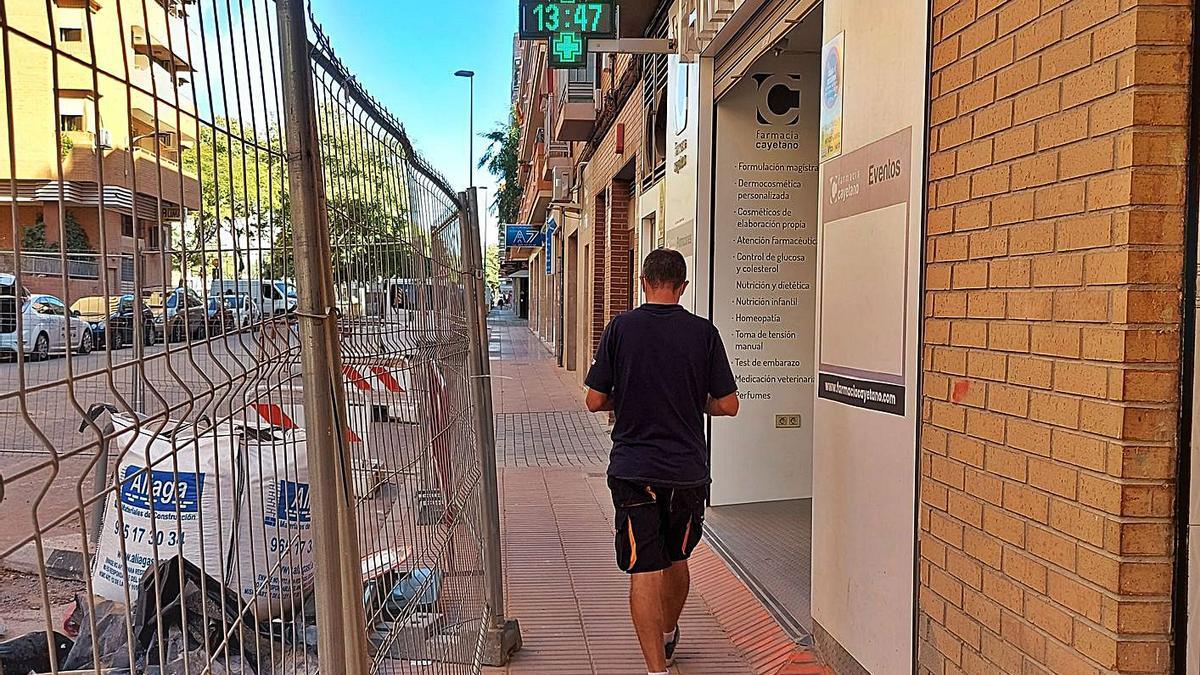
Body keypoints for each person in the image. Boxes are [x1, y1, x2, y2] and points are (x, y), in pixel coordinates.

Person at [584, 248, 740, 674]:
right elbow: (729, 405)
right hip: (685, 471)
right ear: (683, 286)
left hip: (633, 470)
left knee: (643, 568)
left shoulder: (620, 329)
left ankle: (656, 669)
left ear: (642, 281)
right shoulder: (703, 334)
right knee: (676, 559)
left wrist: (630, 398)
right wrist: (693, 402)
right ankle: (669, 632)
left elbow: (594, 399)